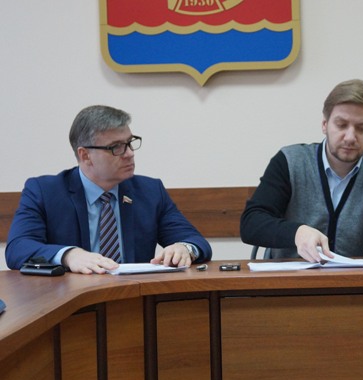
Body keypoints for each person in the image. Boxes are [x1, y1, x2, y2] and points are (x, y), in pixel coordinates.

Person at [6, 105, 212, 274]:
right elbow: (17, 248)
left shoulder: (149, 191)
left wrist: (184, 248)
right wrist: (69, 255)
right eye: (116, 147)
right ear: (85, 155)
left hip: (134, 298)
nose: (129, 153)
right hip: (70, 301)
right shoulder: (45, 191)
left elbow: (196, 242)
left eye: (130, 143)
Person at [240, 79, 363, 266]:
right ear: (325, 125)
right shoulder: (290, 161)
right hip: (289, 278)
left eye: (362, 128)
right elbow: (252, 222)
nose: (350, 137)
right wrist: (297, 232)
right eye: (341, 125)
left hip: (354, 280)